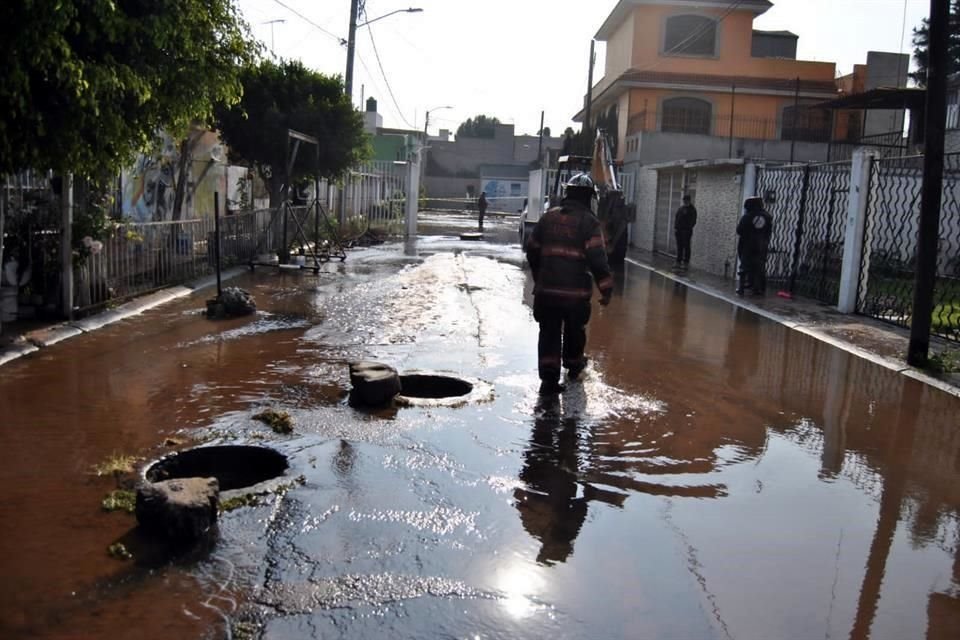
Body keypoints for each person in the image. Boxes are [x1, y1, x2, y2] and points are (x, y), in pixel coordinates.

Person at [524, 174, 613, 395]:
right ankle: (573, 367)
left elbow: (532, 250)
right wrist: (606, 290)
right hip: (575, 295)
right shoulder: (589, 222)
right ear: (589, 197)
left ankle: (549, 380)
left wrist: (540, 277)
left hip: (547, 293)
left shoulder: (548, 218)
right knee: (575, 331)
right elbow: (598, 261)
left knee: (549, 334)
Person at [736, 196, 773, 296]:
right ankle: (759, 288)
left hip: (747, 245)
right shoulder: (768, 217)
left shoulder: (747, 216)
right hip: (761, 245)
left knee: (744, 266)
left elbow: (739, 230)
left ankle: (741, 288)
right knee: (759, 267)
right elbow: (769, 232)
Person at [674, 194, 697, 268]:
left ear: (689, 201)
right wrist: (676, 227)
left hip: (686, 231)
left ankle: (686, 262)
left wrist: (687, 228)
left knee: (686, 246)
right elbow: (677, 217)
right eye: (684, 200)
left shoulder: (692, 209)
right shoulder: (681, 208)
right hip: (679, 230)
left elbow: (693, 221)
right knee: (679, 246)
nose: (684, 202)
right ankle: (678, 261)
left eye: (686, 200)